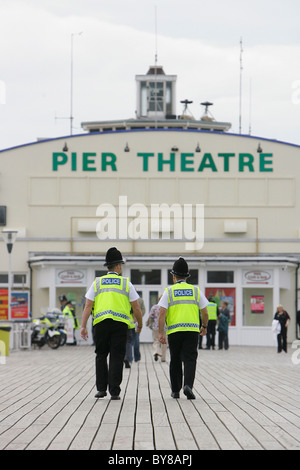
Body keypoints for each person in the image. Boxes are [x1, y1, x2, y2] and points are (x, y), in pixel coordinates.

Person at [80, 247, 143, 400]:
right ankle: (114, 391)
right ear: (118, 266)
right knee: (117, 356)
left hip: (101, 323)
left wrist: (83, 326)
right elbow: (136, 307)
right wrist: (139, 324)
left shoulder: (97, 282)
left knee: (101, 355)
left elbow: (88, 305)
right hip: (120, 325)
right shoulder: (126, 283)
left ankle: (101, 389)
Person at [158, 257, 209, 400]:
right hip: (192, 331)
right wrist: (204, 326)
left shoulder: (169, 291)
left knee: (175, 359)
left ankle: (175, 390)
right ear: (187, 276)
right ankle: (188, 385)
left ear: (174, 277)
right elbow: (205, 312)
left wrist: (161, 332)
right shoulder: (195, 290)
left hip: (174, 331)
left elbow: (162, 313)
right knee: (190, 358)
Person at [147, 295, 167, 362]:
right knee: (164, 342)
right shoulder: (167, 307)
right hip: (165, 327)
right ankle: (163, 358)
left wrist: (148, 322)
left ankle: (156, 351)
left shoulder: (154, 307)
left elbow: (150, 316)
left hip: (156, 326)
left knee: (156, 340)